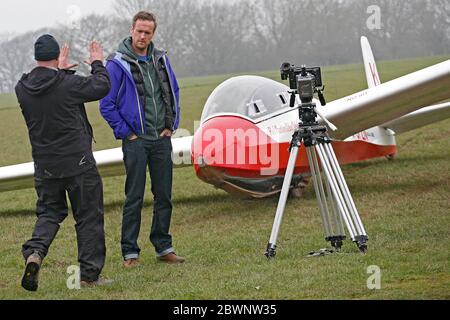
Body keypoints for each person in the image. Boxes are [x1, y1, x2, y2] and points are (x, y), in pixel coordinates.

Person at [15, 34, 112, 291]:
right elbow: (101, 85)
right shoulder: (67, 84)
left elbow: (50, 89)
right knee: (88, 216)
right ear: (57, 56)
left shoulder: (22, 88)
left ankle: (35, 252)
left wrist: (60, 73)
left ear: (36, 58)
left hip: (45, 166)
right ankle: (89, 276)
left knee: (49, 213)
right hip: (78, 163)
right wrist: (97, 62)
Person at [100, 11, 184, 267]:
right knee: (134, 196)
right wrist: (128, 133)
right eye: (139, 31)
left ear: (153, 34)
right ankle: (130, 252)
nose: (143, 36)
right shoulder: (116, 64)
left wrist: (171, 125)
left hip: (161, 139)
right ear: (131, 30)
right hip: (136, 141)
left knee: (164, 196)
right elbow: (107, 104)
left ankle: (163, 247)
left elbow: (174, 91)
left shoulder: (161, 59)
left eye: (148, 32)